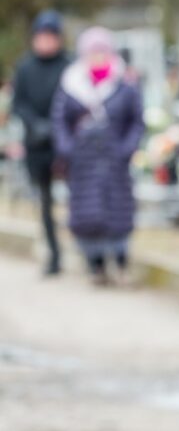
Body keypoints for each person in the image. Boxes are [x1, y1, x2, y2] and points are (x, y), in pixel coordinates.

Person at [51, 27, 144, 286]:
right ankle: (96, 264)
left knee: (119, 211)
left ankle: (121, 261)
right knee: (87, 213)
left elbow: (137, 119)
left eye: (103, 51)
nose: (98, 57)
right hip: (83, 163)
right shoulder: (71, 85)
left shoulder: (124, 85)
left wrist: (126, 149)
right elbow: (59, 120)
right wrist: (68, 149)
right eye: (93, 52)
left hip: (115, 161)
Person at [11, 10, 71, 276]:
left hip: (64, 142)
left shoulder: (68, 65)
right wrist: (35, 125)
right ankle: (54, 253)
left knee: (76, 197)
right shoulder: (25, 67)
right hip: (37, 144)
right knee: (44, 202)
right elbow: (19, 103)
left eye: (50, 36)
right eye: (41, 36)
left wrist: (57, 126)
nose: (45, 42)